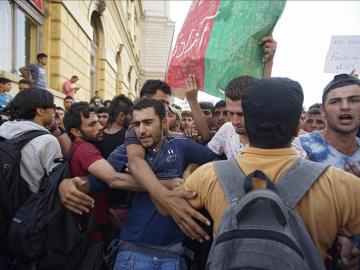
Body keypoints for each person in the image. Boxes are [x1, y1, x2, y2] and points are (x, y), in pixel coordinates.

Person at [183, 77, 360, 267]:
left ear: (246, 123)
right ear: (297, 128)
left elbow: (165, 206)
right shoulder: (341, 184)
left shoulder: (207, 177)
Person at [300, 74, 360, 172]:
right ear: (323, 111)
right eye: (335, 101)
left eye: (354, 100)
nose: (345, 107)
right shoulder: (301, 147)